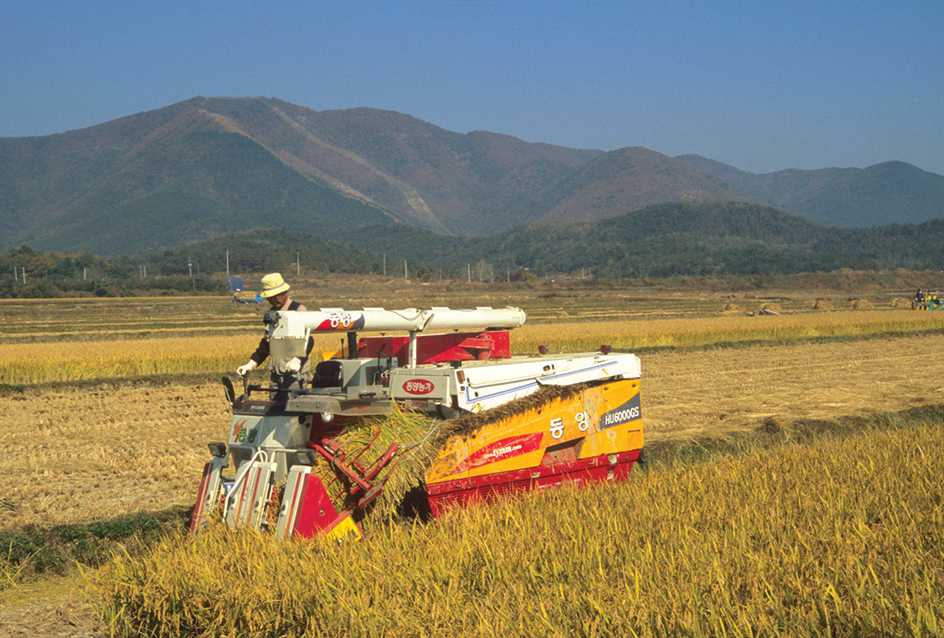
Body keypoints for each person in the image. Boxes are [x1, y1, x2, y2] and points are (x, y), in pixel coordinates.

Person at [236, 273, 314, 397]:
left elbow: (308, 341)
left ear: (285, 292)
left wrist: (297, 360)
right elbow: (266, 344)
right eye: (270, 297)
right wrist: (251, 364)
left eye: (276, 296)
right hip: (276, 375)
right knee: (274, 410)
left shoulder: (298, 310)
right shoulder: (271, 314)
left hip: (295, 376)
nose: (273, 300)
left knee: (292, 411)